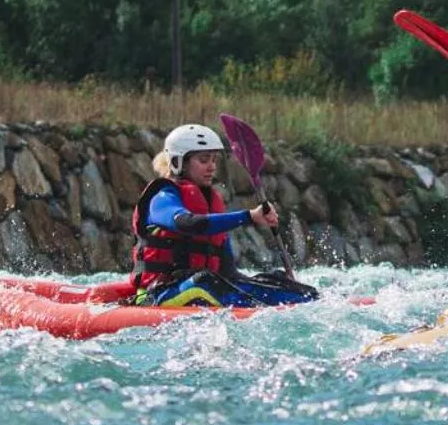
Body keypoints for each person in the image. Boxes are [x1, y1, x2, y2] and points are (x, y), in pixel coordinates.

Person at [128, 124, 318, 308]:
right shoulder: (162, 198)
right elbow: (187, 223)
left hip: (198, 287)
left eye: (214, 160)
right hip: (157, 295)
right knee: (204, 281)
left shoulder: (211, 205)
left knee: (277, 279)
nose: (212, 167)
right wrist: (249, 216)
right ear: (179, 162)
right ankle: (258, 311)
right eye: (204, 160)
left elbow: (230, 274)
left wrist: (269, 284)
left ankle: (299, 301)